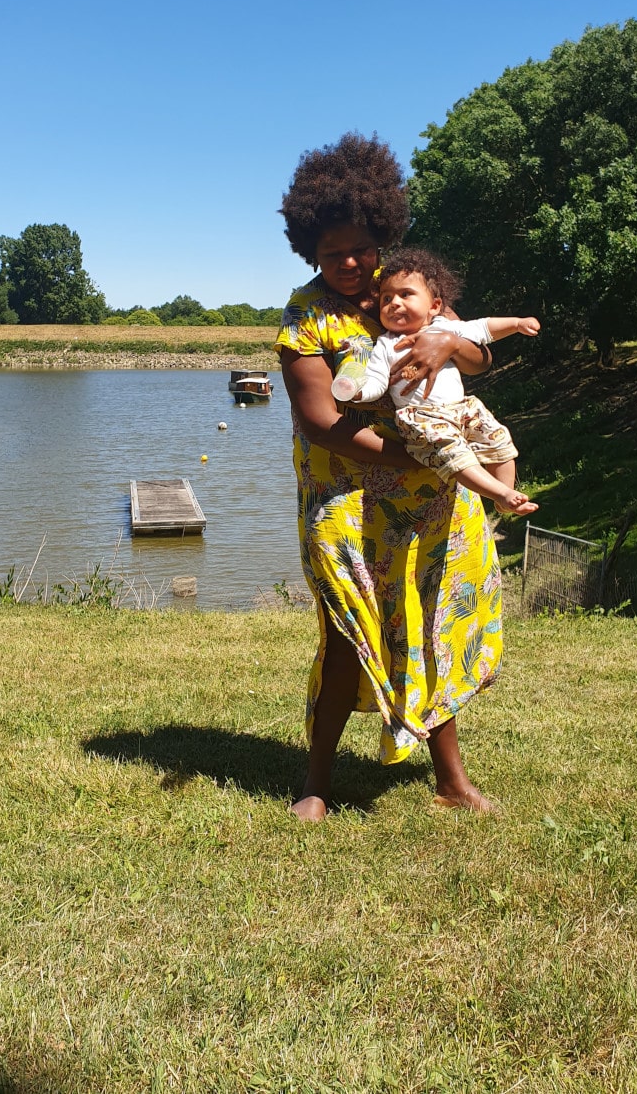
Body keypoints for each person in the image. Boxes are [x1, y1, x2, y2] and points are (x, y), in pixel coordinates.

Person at [274, 132, 503, 822]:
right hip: (346, 504)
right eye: (334, 249)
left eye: (362, 247)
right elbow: (322, 421)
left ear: (383, 236)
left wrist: (449, 340)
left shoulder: (405, 289)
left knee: (433, 632)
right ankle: (316, 782)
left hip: (433, 504)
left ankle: (451, 779)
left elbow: (478, 357)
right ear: (310, 246)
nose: (350, 261)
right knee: (349, 640)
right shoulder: (304, 317)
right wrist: (423, 455)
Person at [334, 246, 540, 515]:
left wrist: (515, 323)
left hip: (463, 407)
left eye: (406, 294)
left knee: (500, 440)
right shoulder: (387, 344)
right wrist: (357, 393)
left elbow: (481, 329)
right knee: (455, 455)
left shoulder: (445, 326)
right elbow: (377, 380)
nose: (394, 303)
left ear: (434, 306)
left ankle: (506, 496)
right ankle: (499, 493)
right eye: (386, 299)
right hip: (422, 417)